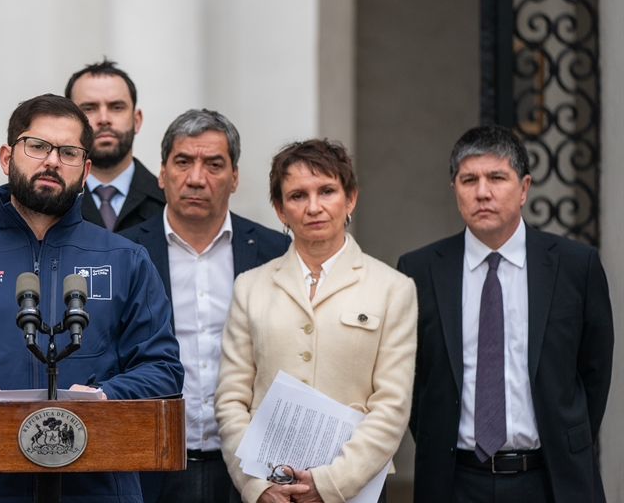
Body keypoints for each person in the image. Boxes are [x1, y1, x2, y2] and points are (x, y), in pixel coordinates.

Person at [0, 94, 184, 502]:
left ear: (85, 171)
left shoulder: (126, 260)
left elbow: (162, 368)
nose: (51, 161)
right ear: (6, 157)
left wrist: (106, 398)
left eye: (68, 152)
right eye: (37, 146)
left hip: (98, 490)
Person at [397, 125, 613, 503]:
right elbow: (410, 378)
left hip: (552, 480)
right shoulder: (419, 271)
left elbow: (594, 371)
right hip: (455, 482)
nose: (483, 192)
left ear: (524, 188)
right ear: (455, 188)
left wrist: (566, 438)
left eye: (497, 178)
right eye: (469, 180)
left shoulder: (575, 266)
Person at [215, 139, 417, 503]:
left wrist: (330, 484)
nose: (313, 207)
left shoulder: (393, 288)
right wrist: (257, 485)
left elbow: (392, 405)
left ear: (350, 198)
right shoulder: (250, 287)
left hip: (354, 489)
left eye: (327, 191)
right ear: (280, 209)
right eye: (297, 196)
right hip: (269, 490)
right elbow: (231, 398)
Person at [119, 109, 289, 503]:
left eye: (214, 165)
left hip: (250, 469)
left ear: (235, 177)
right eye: (183, 162)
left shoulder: (275, 252)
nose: (196, 178)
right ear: (162, 173)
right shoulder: (124, 252)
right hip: (153, 466)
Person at [66, 59, 164, 232]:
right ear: (68, 122)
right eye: (89, 108)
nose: (104, 119)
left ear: (136, 120)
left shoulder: (169, 202)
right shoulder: (48, 202)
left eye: (116, 107)